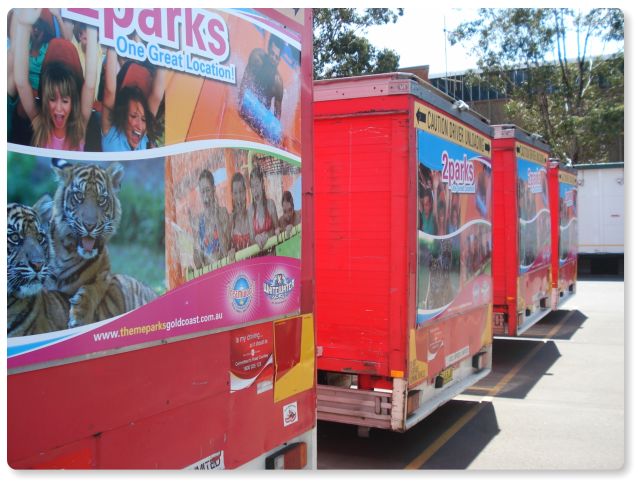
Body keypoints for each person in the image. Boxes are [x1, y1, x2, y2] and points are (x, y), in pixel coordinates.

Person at [12, 8, 97, 151]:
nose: (58, 108)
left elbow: (90, 84)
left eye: (64, 101)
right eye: (52, 99)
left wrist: (93, 24)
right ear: (45, 100)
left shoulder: (79, 126)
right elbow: (21, 83)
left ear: (72, 102)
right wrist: (24, 25)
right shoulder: (40, 123)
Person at [101, 48, 165, 151]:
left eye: (144, 119)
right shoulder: (111, 132)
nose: (139, 125)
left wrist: (164, 47)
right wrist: (110, 38)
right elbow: (109, 90)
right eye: (133, 116)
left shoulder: (143, 136)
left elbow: (157, 96)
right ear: (123, 116)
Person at [238, 34, 285, 144]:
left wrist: (274, 133)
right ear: (268, 50)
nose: (273, 59)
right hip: (250, 99)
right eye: (272, 54)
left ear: (279, 60)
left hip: (262, 110)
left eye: (276, 57)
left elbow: (277, 115)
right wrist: (241, 103)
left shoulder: (277, 83)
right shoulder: (256, 58)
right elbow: (244, 83)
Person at [193, 169, 230, 267]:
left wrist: (216, 220)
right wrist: (196, 241)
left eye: (208, 190)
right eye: (202, 192)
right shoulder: (199, 222)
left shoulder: (223, 213)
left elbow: (226, 251)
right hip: (209, 276)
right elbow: (198, 264)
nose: (206, 196)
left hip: (224, 270)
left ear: (214, 189)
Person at [249, 165, 280, 250]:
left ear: (262, 184)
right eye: (252, 186)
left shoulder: (270, 204)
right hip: (259, 257)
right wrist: (256, 238)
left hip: (272, 254)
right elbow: (251, 239)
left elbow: (278, 230)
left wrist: (268, 235)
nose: (255, 190)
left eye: (257, 185)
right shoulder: (250, 210)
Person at [228, 172, 253, 257]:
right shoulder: (230, 220)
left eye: (241, 191)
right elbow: (226, 249)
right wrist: (230, 251)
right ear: (232, 195)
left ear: (245, 192)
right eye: (235, 193)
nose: (238, 196)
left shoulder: (251, 215)